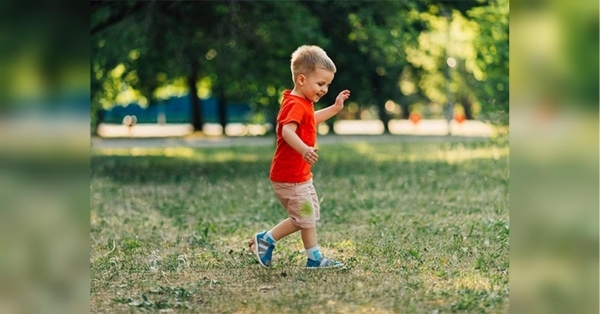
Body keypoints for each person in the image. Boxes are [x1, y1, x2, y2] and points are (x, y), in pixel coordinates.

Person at [253, 45, 350, 269]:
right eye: (321, 83)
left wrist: (335, 108)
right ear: (302, 79)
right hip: (289, 177)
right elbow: (287, 131)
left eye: (327, 85)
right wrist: (304, 149)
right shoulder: (294, 104)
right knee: (303, 218)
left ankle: (307, 255)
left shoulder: (303, 103)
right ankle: (270, 241)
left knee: (308, 216)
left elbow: (311, 120)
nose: (324, 89)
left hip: (300, 176)